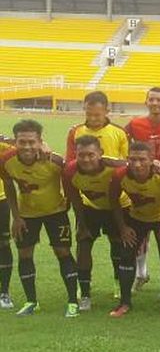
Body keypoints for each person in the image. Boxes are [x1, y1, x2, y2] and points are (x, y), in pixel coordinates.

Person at [0, 119, 78, 317]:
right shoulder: (6, 161)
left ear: (40, 141)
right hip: (27, 215)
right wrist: (16, 217)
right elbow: (8, 185)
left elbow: (71, 183)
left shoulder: (54, 161)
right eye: (22, 142)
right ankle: (31, 301)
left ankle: (72, 302)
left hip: (56, 213)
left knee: (63, 252)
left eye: (31, 142)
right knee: (25, 254)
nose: (27, 146)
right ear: (15, 142)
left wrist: (71, 208)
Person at [108, 141, 160, 319]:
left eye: (142, 160)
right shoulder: (120, 175)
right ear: (127, 159)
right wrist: (123, 227)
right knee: (126, 255)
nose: (137, 164)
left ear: (152, 159)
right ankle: (124, 303)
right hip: (137, 219)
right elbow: (113, 200)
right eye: (133, 159)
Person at [125, 87, 160, 290]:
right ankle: (142, 272)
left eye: (159, 100)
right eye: (152, 99)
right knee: (142, 228)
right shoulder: (135, 124)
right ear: (146, 102)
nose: (155, 103)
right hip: (142, 180)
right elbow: (120, 139)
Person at [62, 135, 128, 311]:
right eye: (81, 155)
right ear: (76, 154)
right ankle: (84, 293)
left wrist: (157, 165)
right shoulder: (70, 171)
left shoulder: (116, 167)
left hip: (119, 208)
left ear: (101, 153)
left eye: (91, 154)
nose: (86, 159)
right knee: (83, 244)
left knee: (118, 246)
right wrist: (81, 224)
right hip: (91, 208)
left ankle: (119, 283)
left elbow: (140, 166)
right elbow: (75, 200)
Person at [66, 90, 129, 162]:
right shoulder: (75, 132)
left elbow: (127, 161)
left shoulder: (120, 133)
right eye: (89, 114)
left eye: (97, 115)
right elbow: (69, 161)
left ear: (106, 111)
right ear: (84, 110)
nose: (92, 118)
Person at [0, 136, 15, 309]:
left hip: (1, 202)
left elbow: (30, 147)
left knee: (3, 245)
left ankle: (4, 292)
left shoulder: (3, 145)